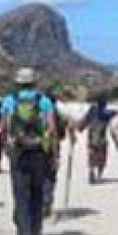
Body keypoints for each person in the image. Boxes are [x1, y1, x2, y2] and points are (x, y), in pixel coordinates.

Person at [1, 68, 56, 235]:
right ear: (34, 82)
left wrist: (6, 148)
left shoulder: (9, 101)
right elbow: (51, 128)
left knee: (20, 193)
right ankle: (36, 231)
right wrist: (53, 154)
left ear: (18, 83)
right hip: (40, 152)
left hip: (18, 152)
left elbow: (4, 127)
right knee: (37, 191)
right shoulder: (44, 101)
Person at [77, 94, 118, 184]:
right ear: (105, 104)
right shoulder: (107, 114)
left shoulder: (92, 112)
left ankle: (92, 171)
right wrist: (117, 144)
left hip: (92, 139)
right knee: (102, 159)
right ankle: (98, 176)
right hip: (102, 140)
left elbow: (83, 123)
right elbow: (113, 130)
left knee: (92, 156)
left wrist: (80, 128)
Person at [42, 86, 70, 218]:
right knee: (50, 176)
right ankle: (47, 204)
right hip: (53, 147)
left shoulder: (36, 111)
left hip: (34, 148)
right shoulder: (57, 114)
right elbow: (62, 135)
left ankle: (39, 204)